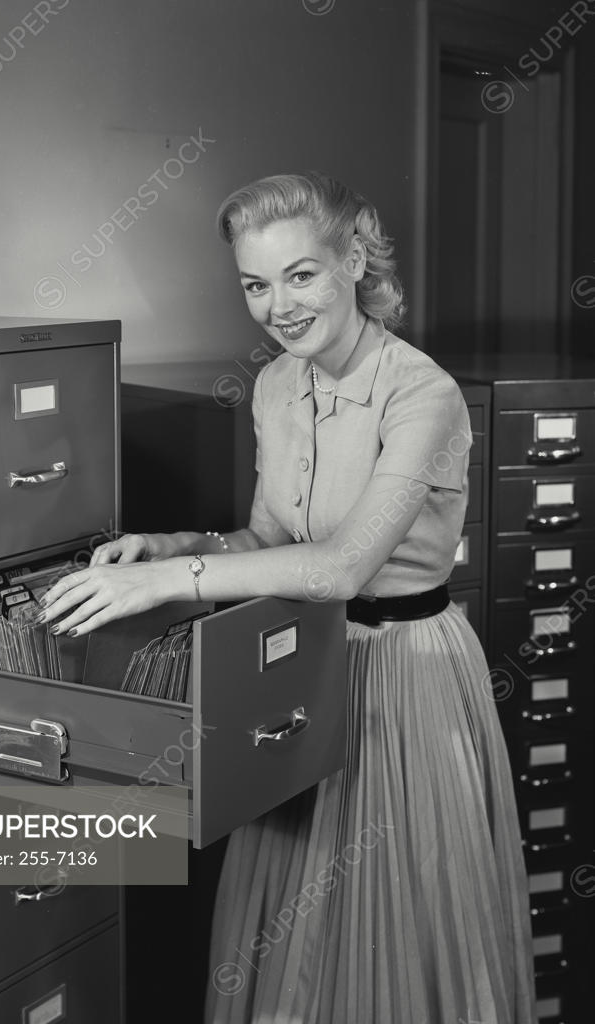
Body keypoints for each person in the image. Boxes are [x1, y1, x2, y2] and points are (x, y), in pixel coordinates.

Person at [39, 171, 537, 1023]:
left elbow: (341, 568)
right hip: (302, 673)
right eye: (255, 285)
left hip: (405, 680)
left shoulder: (425, 394)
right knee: (293, 933)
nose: (278, 306)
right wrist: (171, 546)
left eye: (300, 275)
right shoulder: (275, 386)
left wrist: (162, 582)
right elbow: (272, 544)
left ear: (354, 259)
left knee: (397, 925)